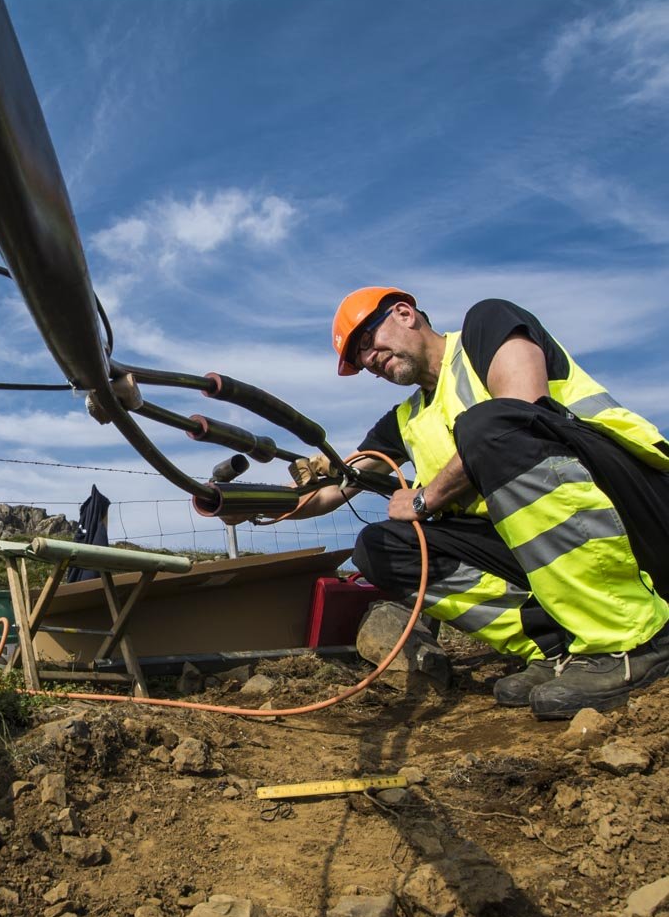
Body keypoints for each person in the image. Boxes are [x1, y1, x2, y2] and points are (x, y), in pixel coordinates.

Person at [285, 287, 669, 720]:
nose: (370, 360)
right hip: (547, 545)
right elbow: (333, 493)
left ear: (404, 313)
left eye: (368, 342)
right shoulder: (404, 421)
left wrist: (426, 498)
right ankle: (557, 645)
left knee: (491, 423)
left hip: (633, 512)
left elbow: (522, 411)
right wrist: (241, 507)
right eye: (360, 360)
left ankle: (629, 639)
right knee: (380, 546)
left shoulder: (486, 326)